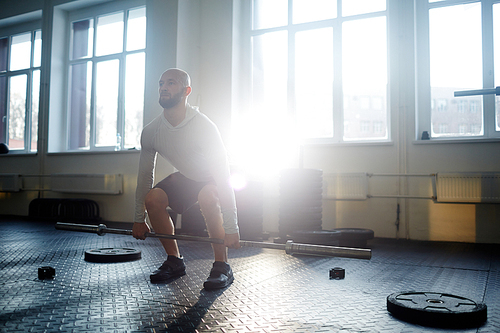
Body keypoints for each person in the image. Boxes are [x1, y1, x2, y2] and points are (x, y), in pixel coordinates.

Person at [132, 68, 240, 290]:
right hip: (188, 176)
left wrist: (231, 227)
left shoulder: (204, 126)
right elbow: (144, 177)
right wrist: (138, 218)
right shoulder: (152, 131)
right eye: (161, 83)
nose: (163, 87)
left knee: (207, 196)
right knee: (153, 199)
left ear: (186, 90)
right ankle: (174, 261)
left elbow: (222, 177)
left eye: (171, 83)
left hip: (214, 177)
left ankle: (222, 265)